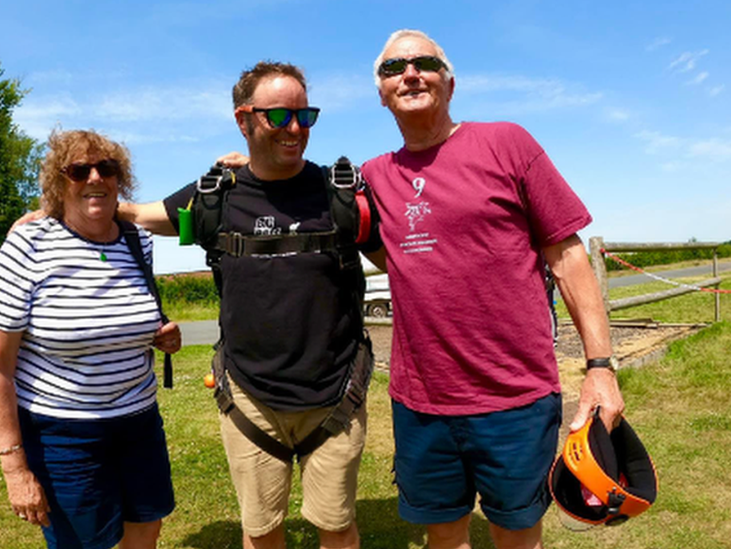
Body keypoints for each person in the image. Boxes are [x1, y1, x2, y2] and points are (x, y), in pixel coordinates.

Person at [361, 29, 625, 549]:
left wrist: (599, 369)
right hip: (420, 402)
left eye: (424, 63)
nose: (410, 74)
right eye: (394, 68)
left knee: (517, 532)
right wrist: (243, 172)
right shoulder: (374, 175)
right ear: (381, 93)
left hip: (514, 398)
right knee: (444, 536)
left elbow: (568, 257)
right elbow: (382, 246)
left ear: (450, 83)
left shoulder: (507, 143)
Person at [115, 62, 380, 549]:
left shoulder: (341, 193)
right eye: (278, 116)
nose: (295, 129)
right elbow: (134, 213)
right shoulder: (215, 197)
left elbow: (408, 266)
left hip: (336, 395)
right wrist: (56, 203)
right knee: (260, 532)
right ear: (244, 119)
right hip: (250, 401)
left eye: (305, 115)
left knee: (338, 528)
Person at [0, 129, 181, 549]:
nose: (95, 177)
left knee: (146, 526)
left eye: (106, 168)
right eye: (78, 170)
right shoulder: (27, 245)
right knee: (81, 544)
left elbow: (124, 314)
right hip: (63, 433)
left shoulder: (136, 240)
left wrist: (159, 334)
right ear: (58, 181)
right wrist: (15, 469)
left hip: (139, 421)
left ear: (119, 178)